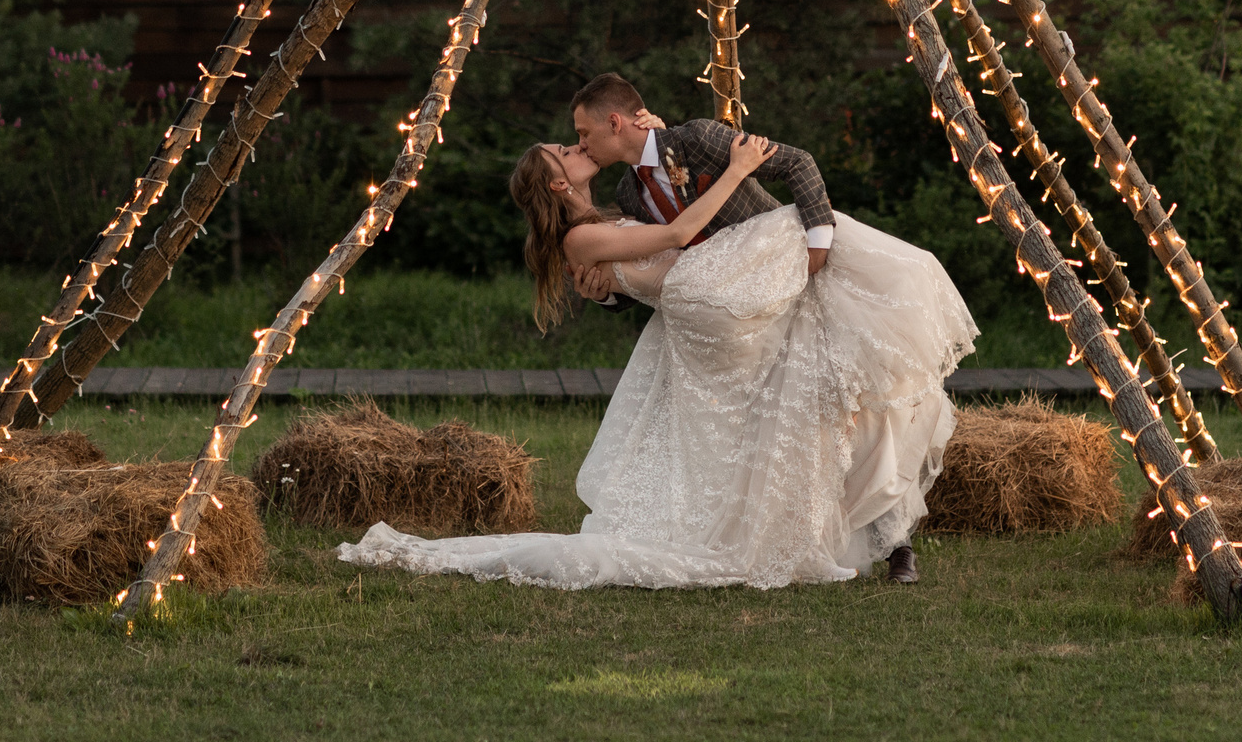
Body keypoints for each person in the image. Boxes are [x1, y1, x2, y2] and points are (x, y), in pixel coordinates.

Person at [336, 77, 977, 592]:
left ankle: (896, 545)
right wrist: (610, 292)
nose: (576, 141)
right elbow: (661, 257)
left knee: (868, 404)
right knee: (788, 432)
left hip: (789, 282)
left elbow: (801, 168)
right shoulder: (621, 200)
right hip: (731, 334)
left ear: (617, 122)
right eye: (568, 145)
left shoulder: (694, 141)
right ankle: (815, 536)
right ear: (561, 182)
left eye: (580, 133)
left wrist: (816, 243)